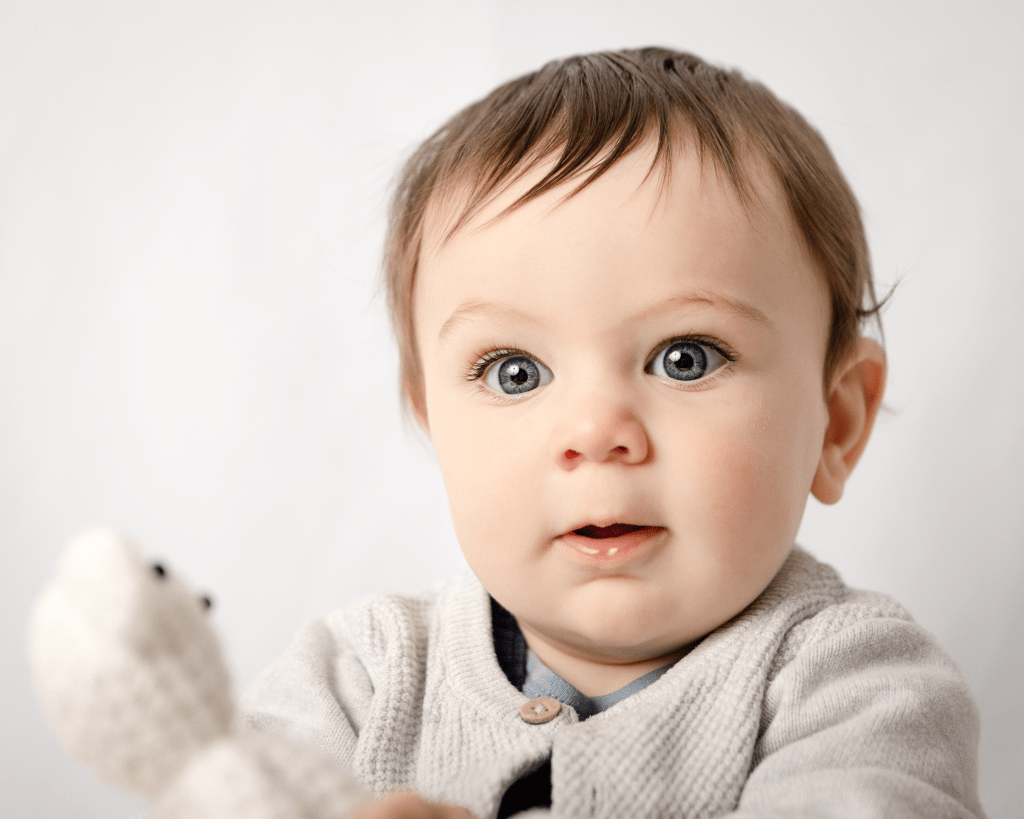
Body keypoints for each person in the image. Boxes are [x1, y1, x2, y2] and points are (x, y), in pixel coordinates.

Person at [242, 47, 986, 818]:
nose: (596, 433)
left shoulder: (860, 688)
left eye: (685, 358)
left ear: (836, 422)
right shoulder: (354, 679)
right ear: (434, 420)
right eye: (514, 372)